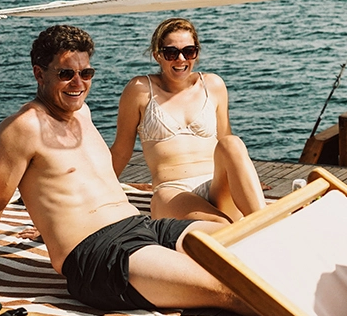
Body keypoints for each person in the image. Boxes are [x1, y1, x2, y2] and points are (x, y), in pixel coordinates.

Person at [0, 25, 252, 315]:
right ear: (39, 74)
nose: (78, 83)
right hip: (100, 253)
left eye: (86, 73)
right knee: (233, 289)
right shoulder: (21, 129)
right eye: (66, 74)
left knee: (252, 245)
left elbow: (78, 183)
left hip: (143, 226)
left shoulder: (82, 113)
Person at [109, 17, 265, 224]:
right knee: (221, 228)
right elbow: (121, 150)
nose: (181, 59)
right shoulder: (139, 90)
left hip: (216, 186)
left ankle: (264, 219)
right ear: (158, 55)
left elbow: (227, 147)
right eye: (171, 53)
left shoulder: (213, 85)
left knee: (232, 142)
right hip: (173, 192)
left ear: (197, 53)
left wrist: (248, 181)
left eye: (189, 51)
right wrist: (99, 194)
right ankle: (259, 225)